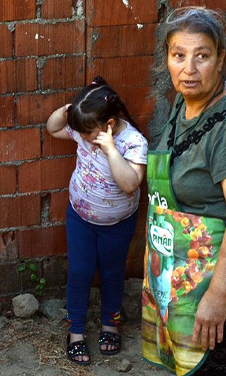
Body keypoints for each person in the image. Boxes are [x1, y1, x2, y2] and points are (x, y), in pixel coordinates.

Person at [142, 6, 226, 376]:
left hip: (223, 277)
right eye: (178, 55)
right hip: (186, 270)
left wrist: (218, 296)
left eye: (202, 56)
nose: (189, 68)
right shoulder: (184, 103)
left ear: (220, 60)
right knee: (185, 367)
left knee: (212, 370)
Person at [46, 76, 148, 365]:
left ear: (109, 126)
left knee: (113, 273)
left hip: (117, 225)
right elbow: (52, 129)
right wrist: (69, 110)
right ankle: (76, 332)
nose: (83, 136)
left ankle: (109, 324)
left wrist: (110, 150)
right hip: (80, 218)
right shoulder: (84, 130)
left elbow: (130, 184)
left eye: (89, 132)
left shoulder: (133, 143)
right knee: (79, 272)